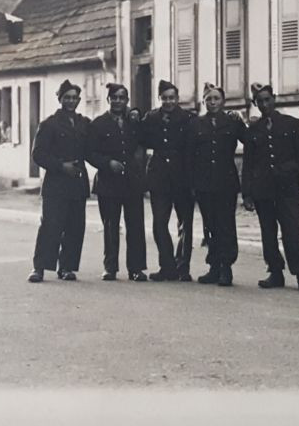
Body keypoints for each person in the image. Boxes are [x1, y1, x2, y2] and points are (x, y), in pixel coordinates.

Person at [242, 83, 299, 291]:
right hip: (262, 189)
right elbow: (248, 163)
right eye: (259, 101)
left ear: (274, 99)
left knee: (292, 230)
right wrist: (247, 193)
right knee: (268, 232)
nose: (264, 104)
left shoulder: (291, 124)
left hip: (286, 188)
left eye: (267, 99)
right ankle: (275, 272)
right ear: (255, 104)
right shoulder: (253, 130)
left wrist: (290, 172)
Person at [28, 80, 93, 283]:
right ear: (60, 99)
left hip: (77, 183)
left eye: (74, 98)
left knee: (75, 227)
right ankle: (39, 267)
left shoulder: (85, 124)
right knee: (50, 226)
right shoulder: (49, 125)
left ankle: (66, 267)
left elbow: (94, 148)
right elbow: (38, 154)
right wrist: (60, 166)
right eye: (67, 98)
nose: (71, 101)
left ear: (79, 100)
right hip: (56, 184)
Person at [89, 83, 148, 282]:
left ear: (127, 100)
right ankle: (110, 267)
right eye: (114, 97)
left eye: (122, 97)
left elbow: (142, 143)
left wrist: (139, 167)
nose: (118, 101)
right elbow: (90, 153)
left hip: (132, 181)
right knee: (110, 226)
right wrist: (107, 163)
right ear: (108, 100)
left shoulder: (134, 122)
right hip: (108, 182)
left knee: (135, 225)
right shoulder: (98, 124)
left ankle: (137, 268)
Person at [187, 83, 245, 286]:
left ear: (223, 101)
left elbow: (250, 141)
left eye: (216, 98)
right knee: (209, 225)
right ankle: (213, 267)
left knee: (226, 224)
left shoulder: (233, 122)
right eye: (208, 99)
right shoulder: (195, 124)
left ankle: (226, 268)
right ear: (203, 102)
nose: (212, 102)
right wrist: (192, 183)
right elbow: (190, 155)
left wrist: (248, 122)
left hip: (226, 182)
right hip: (203, 182)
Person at [142, 80, 197, 281]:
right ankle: (167, 266)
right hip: (159, 177)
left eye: (172, 97)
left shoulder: (188, 119)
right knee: (159, 223)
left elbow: (193, 148)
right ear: (159, 99)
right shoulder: (151, 118)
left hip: (182, 176)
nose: (168, 101)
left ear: (177, 98)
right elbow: (140, 138)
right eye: (164, 98)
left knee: (185, 224)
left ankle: (183, 267)